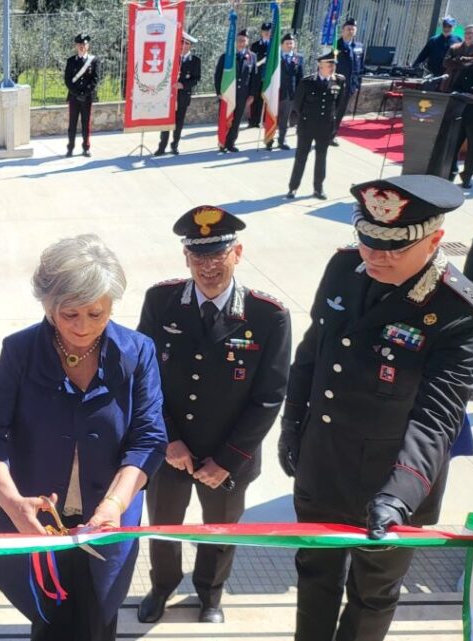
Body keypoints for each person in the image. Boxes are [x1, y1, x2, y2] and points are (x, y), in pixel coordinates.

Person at [279, 175, 473, 641]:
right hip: (323, 463)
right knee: (314, 579)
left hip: (394, 479)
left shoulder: (459, 312)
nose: (375, 256)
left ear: (434, 240)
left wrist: (397, 495)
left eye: (392, 247)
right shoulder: (344, 269)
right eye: (368, 241)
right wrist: (293, 430)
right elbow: (311, 356)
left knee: (373, 595)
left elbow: (436, 418)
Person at [0, 235, 167, 641]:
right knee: (49, 622)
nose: (83, 328)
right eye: (69, 314)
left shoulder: (139, 352)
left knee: (99, 620)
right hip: (36, 520)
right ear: (46, 306)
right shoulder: (21, 351)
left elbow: (148, 438)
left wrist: (115, 502)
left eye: (97, 314)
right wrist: (11, 503)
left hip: (107, 519)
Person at [136, 207, 291, 625]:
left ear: (237, 253)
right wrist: (167, 439)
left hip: (230, 455)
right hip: (171, 449)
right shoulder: (161, 301)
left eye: (218, 255)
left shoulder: (266, 315)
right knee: (163, 526)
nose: (208, 266)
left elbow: (270, 395)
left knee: (220, 530)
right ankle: (162, 586)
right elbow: (145, 377)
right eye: (198, 256)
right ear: (186, 257)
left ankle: (210, 593)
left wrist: (228, 459)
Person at [286, 50, 345, 200]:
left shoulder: (339, 81)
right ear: (320, 65)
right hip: (307, 126)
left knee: (321, 158)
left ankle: (318, 189)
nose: (332, 67)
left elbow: (338, 105)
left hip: (325, 127)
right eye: (329, 64)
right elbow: (297, 105)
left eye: (333, 65)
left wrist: (332, 123)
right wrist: (302, 122)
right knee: (301, 157)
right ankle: (293, 187)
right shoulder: (307, 82)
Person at [446, 25, 473, 189]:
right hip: (462, 110)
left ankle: (467, 177)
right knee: (453, 143)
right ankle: (450, 173)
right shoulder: (472, 67)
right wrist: (461, 94)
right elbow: (458, 85)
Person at [156, 33, 201, 156]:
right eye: (181, 42)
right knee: (166, 121)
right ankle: (161, 147)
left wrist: (183, 85)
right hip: (169, 96)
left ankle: (174, 145)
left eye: (186, 43)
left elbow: (196, 79)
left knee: (179, 122)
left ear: (190, 46)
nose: (183, 45)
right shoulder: (171, 57)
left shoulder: (195, 60)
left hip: (183, 96)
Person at [214, 30, 258, 153]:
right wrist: (218, 91)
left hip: (242, 95)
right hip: (228, 93)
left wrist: (252, 95)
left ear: (248, 42)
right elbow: (218, 75)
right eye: (239, 40)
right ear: (235, 41)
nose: (241, 43)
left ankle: (231, 143)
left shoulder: (252, 57)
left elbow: (254, 78)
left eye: (244, 40)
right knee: (225, 118)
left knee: (237, 119)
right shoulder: (226, 56)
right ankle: (222, 143)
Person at [64, 33, 101, 158]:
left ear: (88, 46)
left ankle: (86, 148)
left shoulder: (93, 61)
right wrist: (76, 93)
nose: (81, 46)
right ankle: (70, 148)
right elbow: (67, 79)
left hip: (87, 98)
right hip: (74, 97)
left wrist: (85, 93)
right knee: (72, 124)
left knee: (86, 123)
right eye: (79, 44)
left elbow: (95, 79)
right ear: (76, 45)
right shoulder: (70, 61)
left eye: (84, 44)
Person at [333, 18, 365, 144]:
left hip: (350, 86)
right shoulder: (335, 45)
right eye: (348, 29)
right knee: (330, 111)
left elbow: (361, 67)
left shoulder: (359, 46)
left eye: (353, 29)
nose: (350, 31)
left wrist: (357, 84)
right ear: (343, 30)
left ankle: (332, 135)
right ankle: (323, 133)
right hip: (336, 84)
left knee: (340, 111)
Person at [274, 33, 304, 151]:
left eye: (291, 43)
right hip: (276, 92)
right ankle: (269, 140)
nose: (289, 45)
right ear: (282, 45)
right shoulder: (275, 58)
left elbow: (300, 77)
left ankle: (282, 140)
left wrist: (300, 93)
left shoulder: (298, 58)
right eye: (287, 43)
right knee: (272, 117)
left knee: (284, 119)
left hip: (290, 93)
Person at [247, 23, 273, 128]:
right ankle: (254, 121)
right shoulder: (255, 45)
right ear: (261, 32)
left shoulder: (274, 46)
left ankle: (265, 120)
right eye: (264, 31)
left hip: (269, 76)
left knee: (267, 100)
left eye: (269, 31)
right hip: (257, 77)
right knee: (255, 98)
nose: (266, 33)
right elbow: (252, 61)